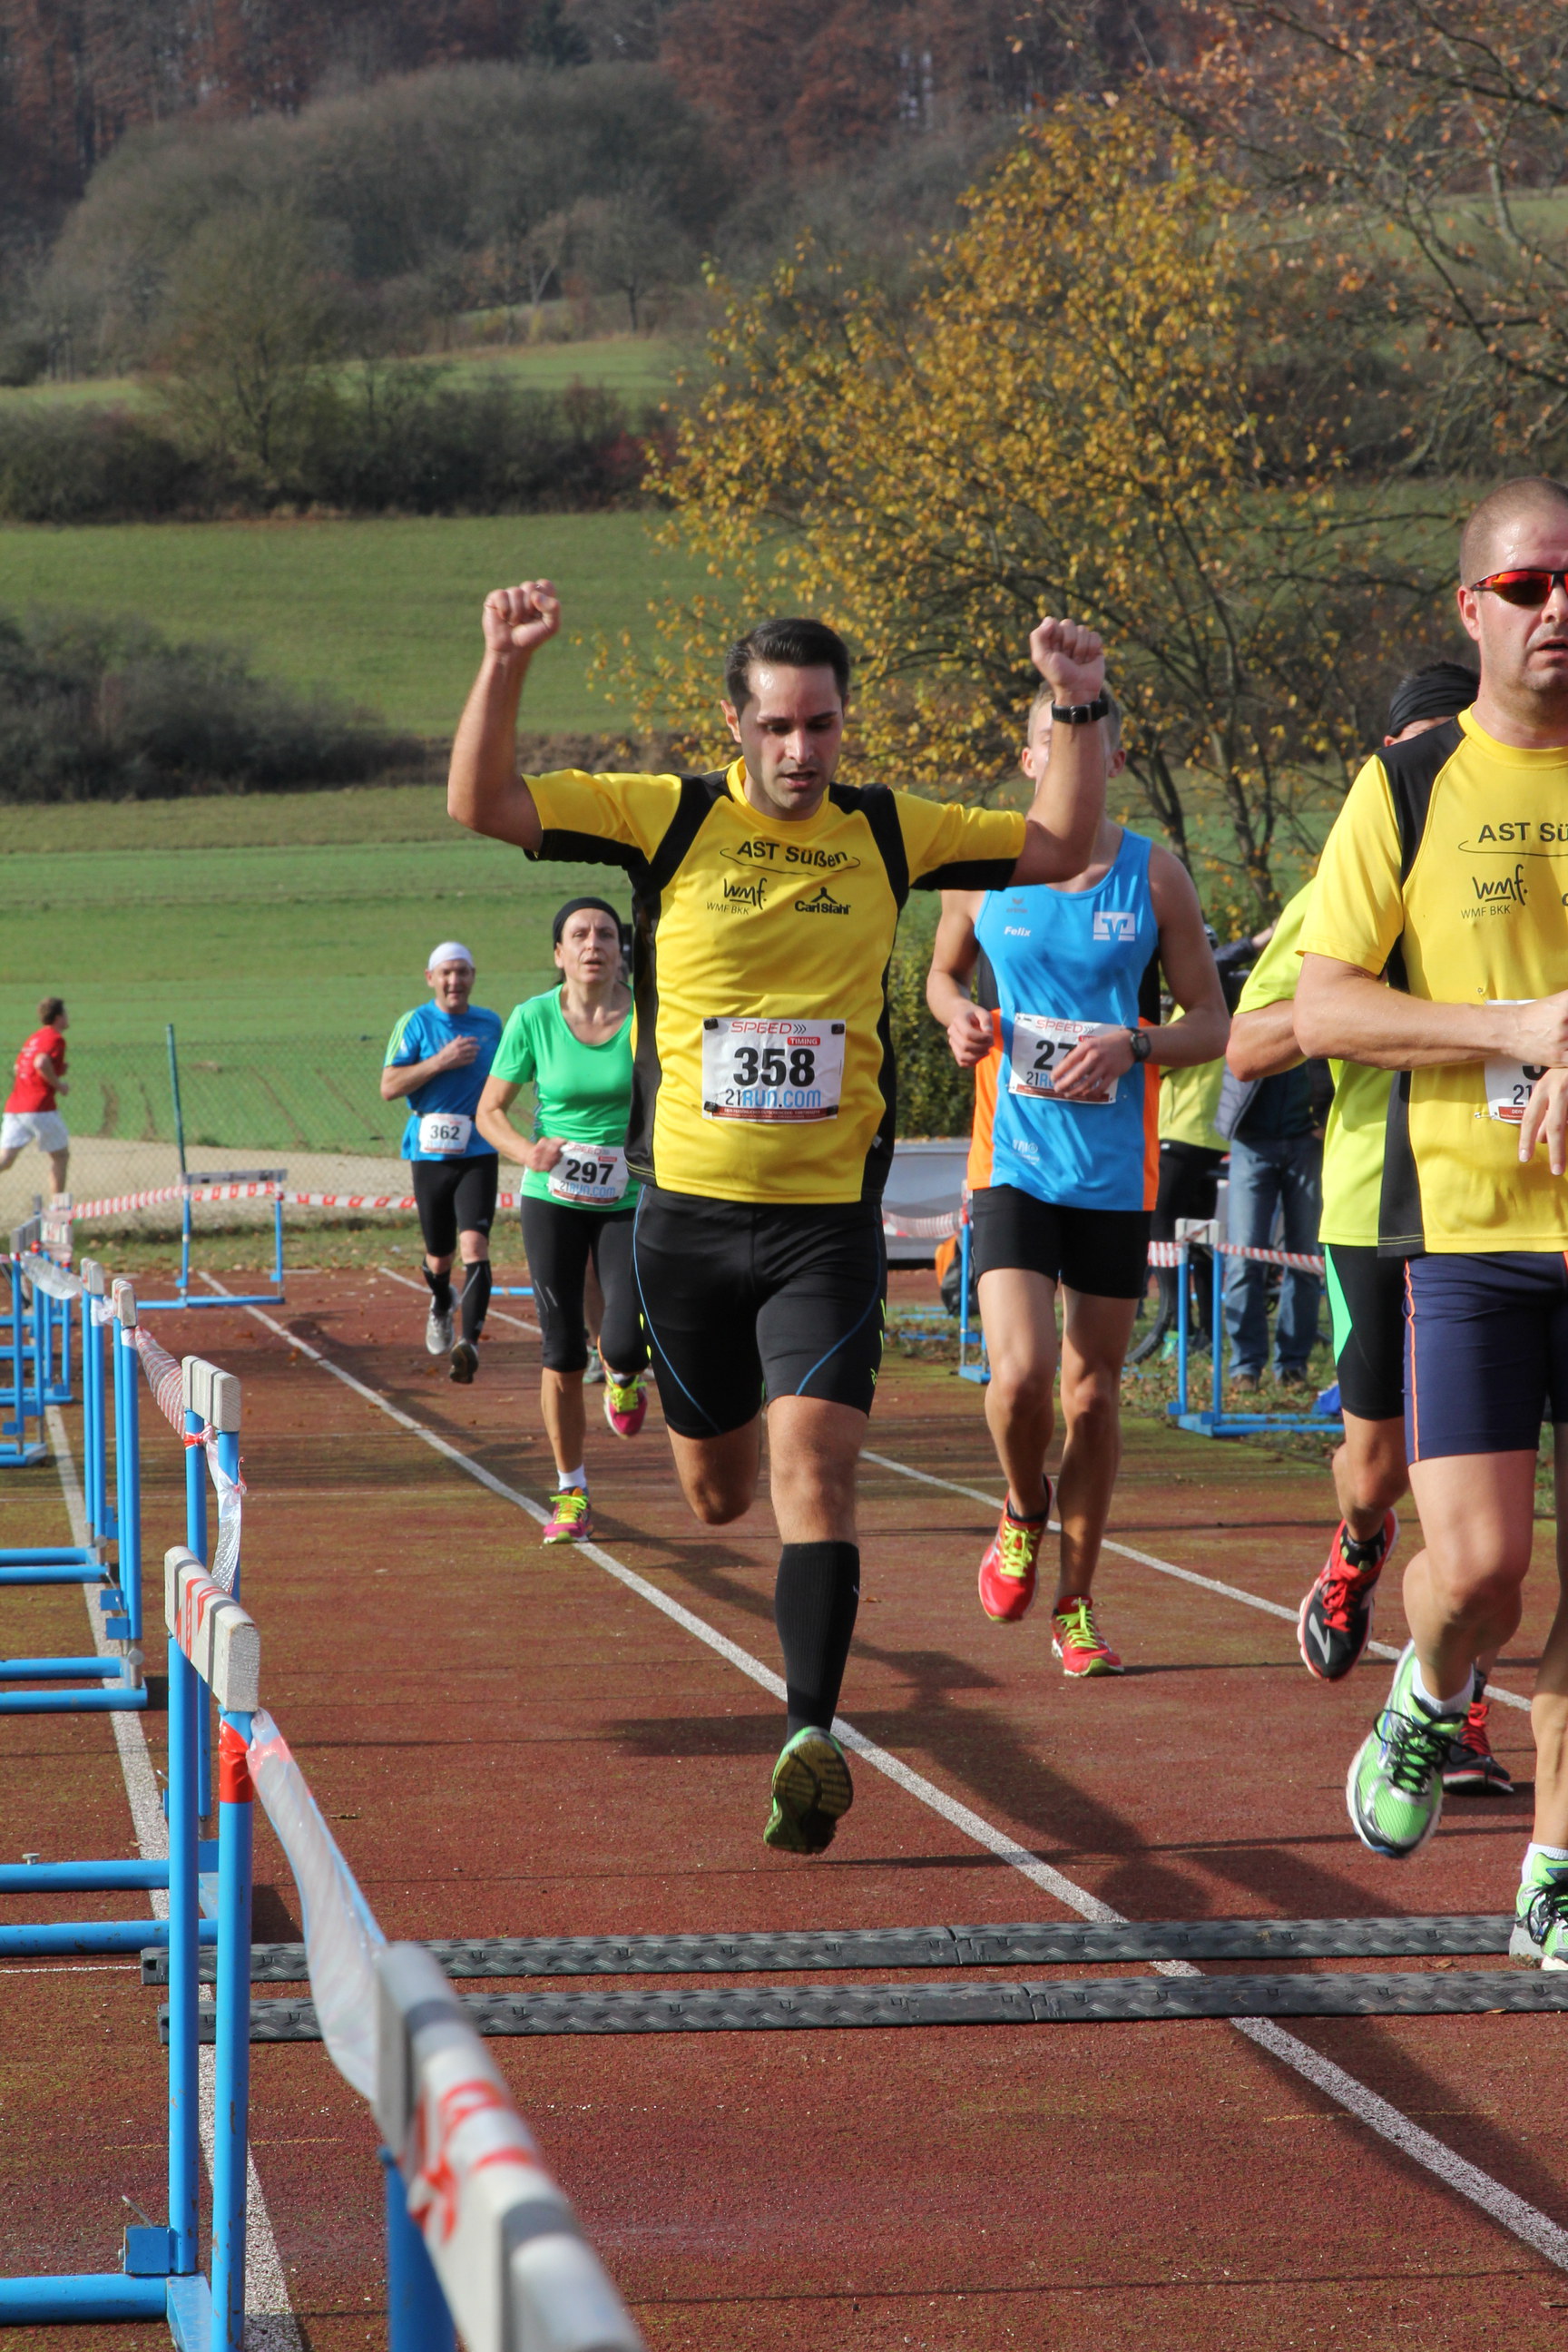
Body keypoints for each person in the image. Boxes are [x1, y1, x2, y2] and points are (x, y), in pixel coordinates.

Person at [448, 582, 1110, 1855]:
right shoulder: (669, 817)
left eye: (821, 725)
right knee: (717, 1495)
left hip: (824, 1229)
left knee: (819, 1471)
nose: (801, 751)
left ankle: (810, 1735)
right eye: (777, 727)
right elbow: (485, 804)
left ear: (846, 723)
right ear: (736, 727)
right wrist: (504, 663)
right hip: (686, 1225)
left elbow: (1059, 842)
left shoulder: (890, 830)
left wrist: (1076, 705)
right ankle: (708, 1441)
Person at [1294, 475, 1568, 1955]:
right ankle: (1426, 1689)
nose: (1554, 607)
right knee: (1477, 1570)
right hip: (1468, 1236)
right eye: (1526, 586)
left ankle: (1551, 1870)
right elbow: (1325, 1007)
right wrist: (1515, 1030)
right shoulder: (1406, 787)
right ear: (1472, 608)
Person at [1229, 662, 1511, 1794]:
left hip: (1491, 1209)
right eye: (1424, 749)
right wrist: (1362, 999)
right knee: (1382, 1470)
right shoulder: (1346, 878)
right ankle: (1357, 1543)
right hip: (1369, 1207)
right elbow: (1246, 1044)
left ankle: (1460, 1701)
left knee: (1475, 1486)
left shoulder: (1516, 874)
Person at [926, 685, 1230, 1665]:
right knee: (1020, 1379)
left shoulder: (1156, 876)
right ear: (1030, 763)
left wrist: (1133, 1044)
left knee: (1092, 1398)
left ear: (1114, 763)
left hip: (1112, 1176)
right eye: (1054, 749)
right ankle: (1023, 1505)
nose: (1073, 765)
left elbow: (1211, 1023)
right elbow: (941, 976)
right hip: (1011, 1162)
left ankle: (1075, 1603)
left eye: (1091, 750)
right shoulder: (980, 866)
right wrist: (957, 1017)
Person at [476, 897, 649, 1544]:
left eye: (605, 933)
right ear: (559, 952)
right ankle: (571, 1490)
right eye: (579, 934)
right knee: (562, 1350)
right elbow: (490, 1111)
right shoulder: (533, 1018)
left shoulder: (648, 1015)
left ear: (620, 950)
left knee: (623, 1342)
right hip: (553, 1195)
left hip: (629, 1196)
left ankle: (625, 1379)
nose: (592, 944)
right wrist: (527, 1152)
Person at [381, 945, 502, 1383]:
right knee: (439, 1257)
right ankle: (440, 1301)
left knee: (475, 1247)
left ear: (473, 976)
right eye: (447, 973)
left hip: (478, 1149)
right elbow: (389, 1086)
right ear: (430, 977)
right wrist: (439, 1061)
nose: (455, 981)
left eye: (463, 972)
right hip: (429, 1150)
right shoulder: (415, 1022)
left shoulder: (491, 1024)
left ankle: (469, 1343)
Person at [1214, 944, 1327, 1390]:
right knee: (1245, 1255)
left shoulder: (1325, 990)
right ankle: (1246, 1366)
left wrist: (1326, 1115)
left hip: (1307, 1142)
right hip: (1251, 1142)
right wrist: (1257, 942)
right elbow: (1213, 967)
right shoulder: (1247, 990)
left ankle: (1293, 1366)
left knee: (1305, 1258)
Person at [0, 998, 71, 1198]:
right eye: (65, 1013)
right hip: (40, 1108)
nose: (68, 1017)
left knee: (5, 1159)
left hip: (15, 1106)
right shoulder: (55, 1038)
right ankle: (58, 1208)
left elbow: (18, 1067)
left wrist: (55, 1072)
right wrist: (59, 1085)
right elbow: (40, 1063)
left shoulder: (34, 1039)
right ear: (58, 1017)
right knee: (61, 1156)